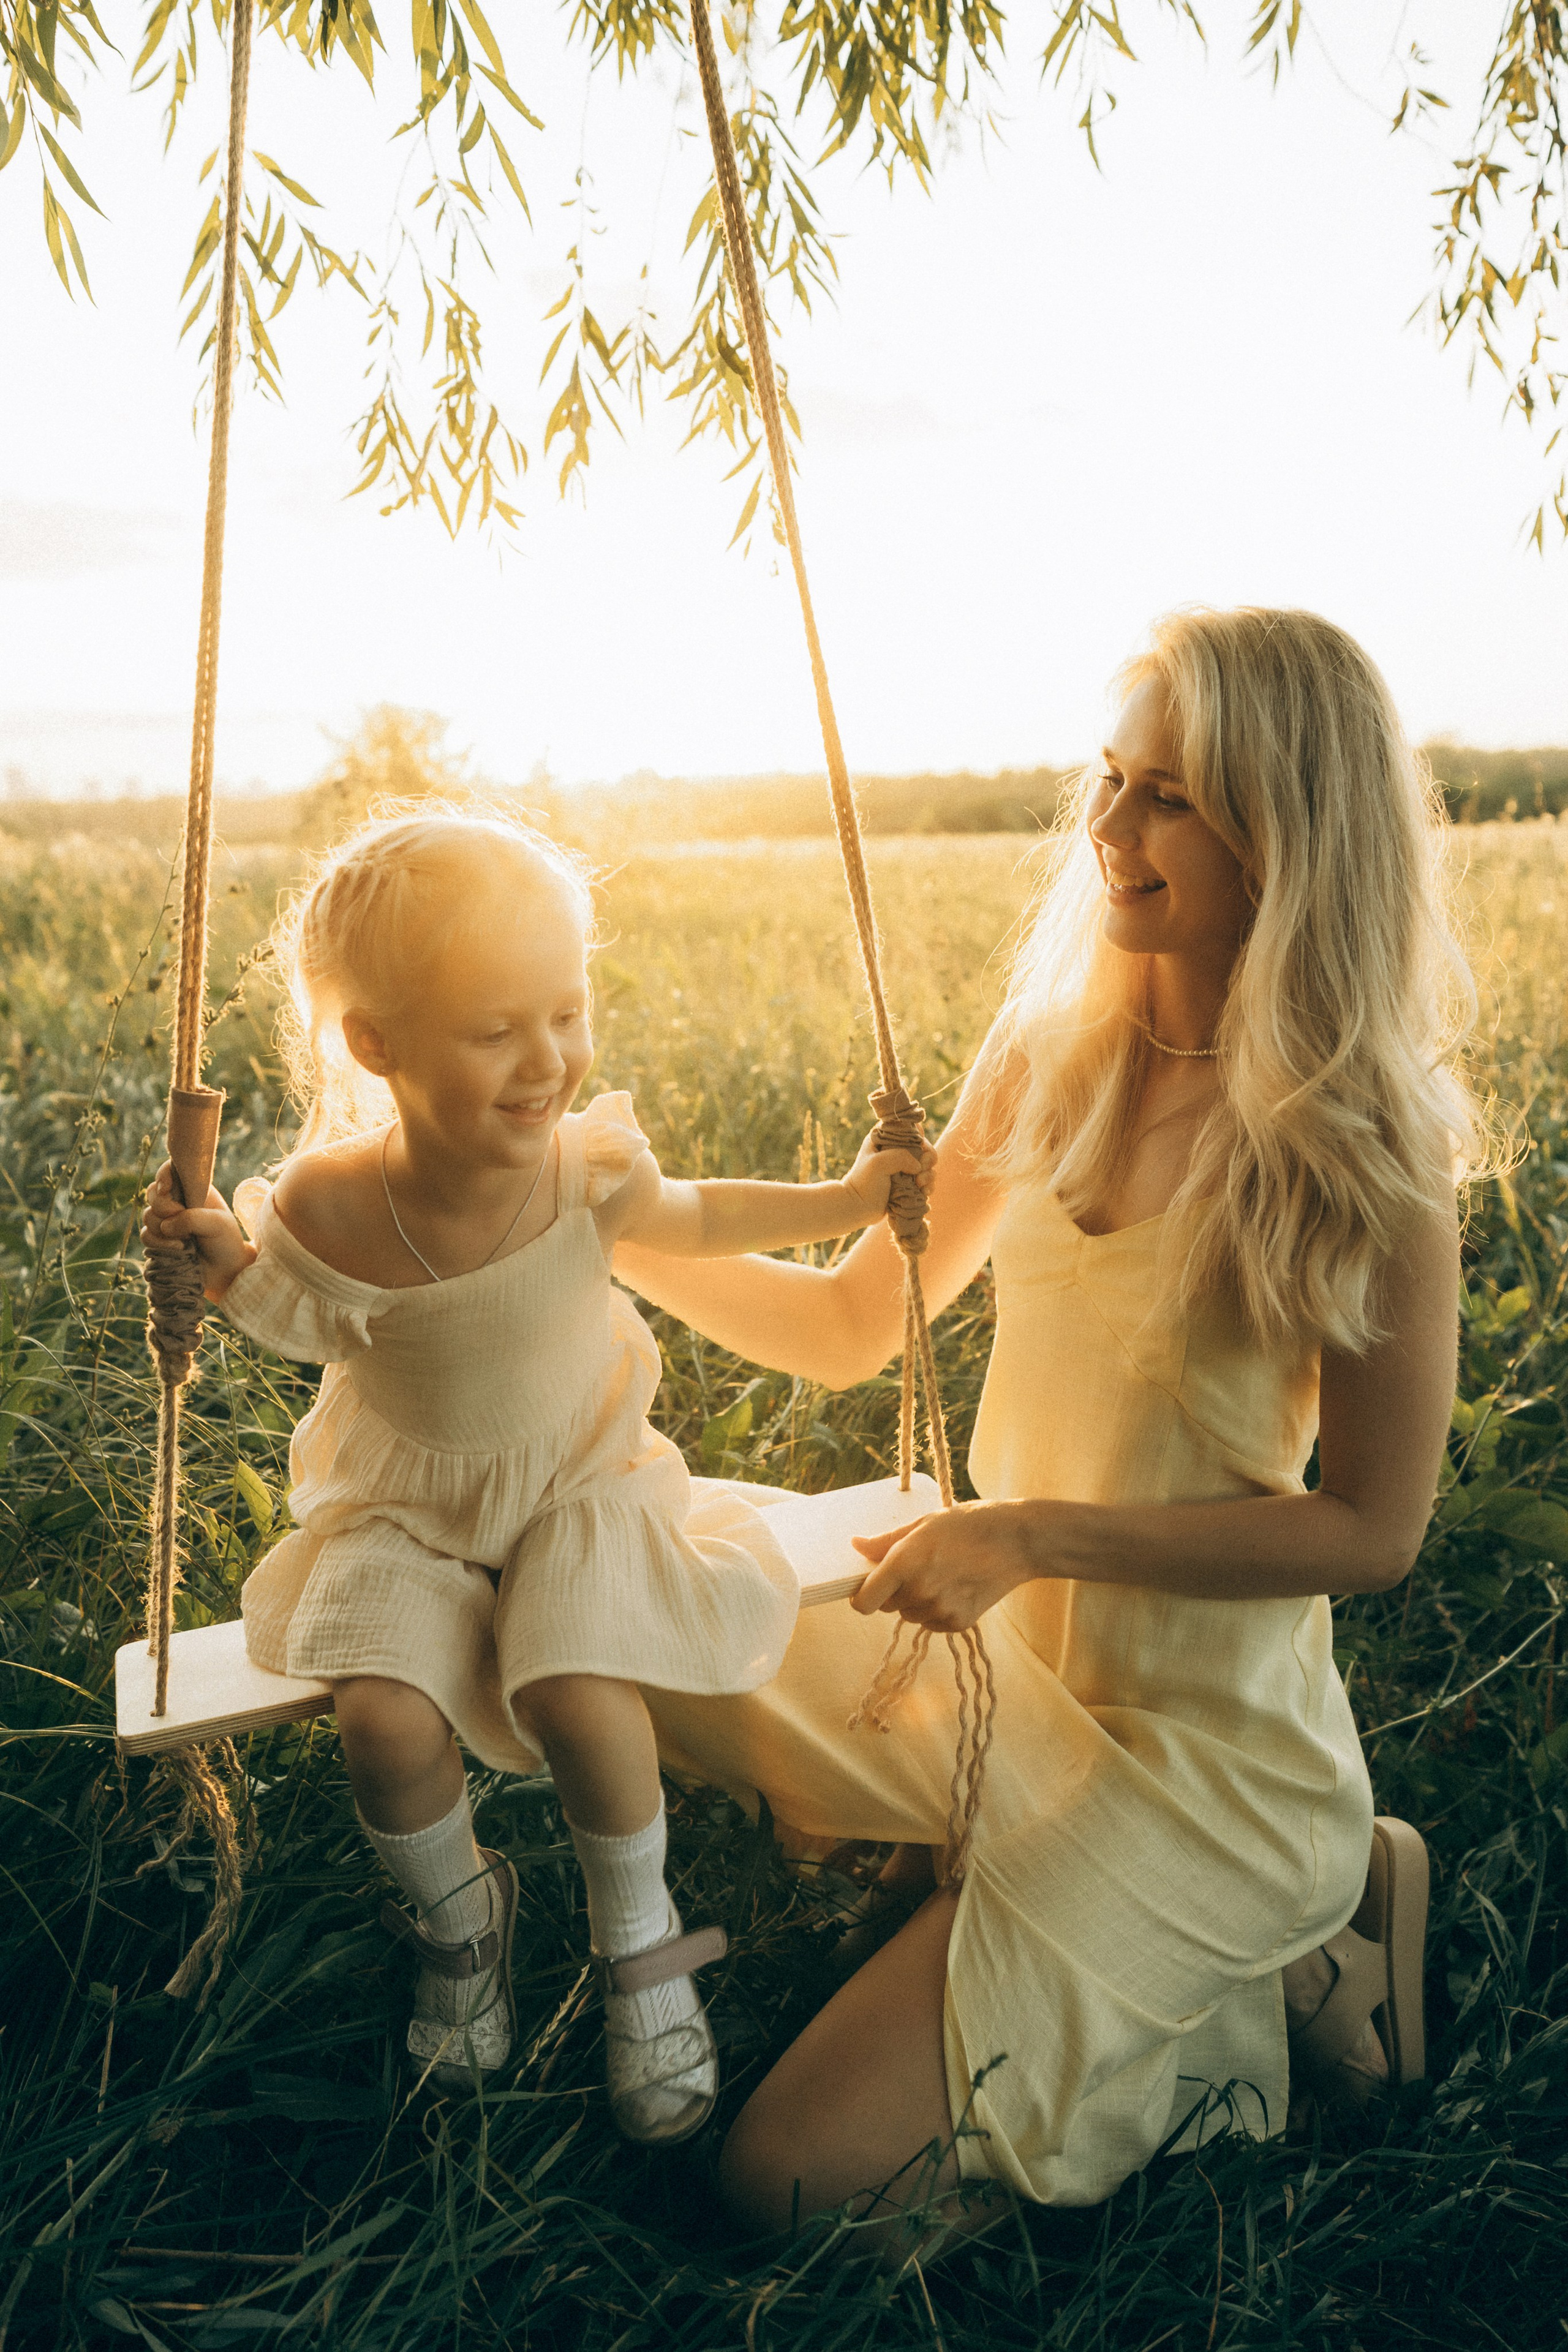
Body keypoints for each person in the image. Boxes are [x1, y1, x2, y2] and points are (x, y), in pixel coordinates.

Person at [613, 607, 1482, 2233]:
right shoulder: (1054, 1059)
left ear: (1285, 822)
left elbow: (1372, 1532)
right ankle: (993, 1889)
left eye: (1169, 792)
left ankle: (1285, 1972)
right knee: (622, 1583)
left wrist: (1027, 1536)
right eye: (1110, 775)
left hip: (1198, 1772)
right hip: (998, 1691)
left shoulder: (1362, 1149)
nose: (1111, 826)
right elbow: (848, 1324)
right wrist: (615, 1234)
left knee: (793, 2194)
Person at [140, 807, 932, 2141]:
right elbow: (287, 1304)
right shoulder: (330, 1200)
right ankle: (460, 1928)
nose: (547, 1059)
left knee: (578, 1683)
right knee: (380, 1718)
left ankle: (641, 1948)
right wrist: (199, 1259)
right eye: (494, 1028)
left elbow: (704, 1212)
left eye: (564, 1013)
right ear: (376, 1045)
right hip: (409, 1506)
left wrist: (848, 1199)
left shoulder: (587, 1170)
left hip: (582, 1480)